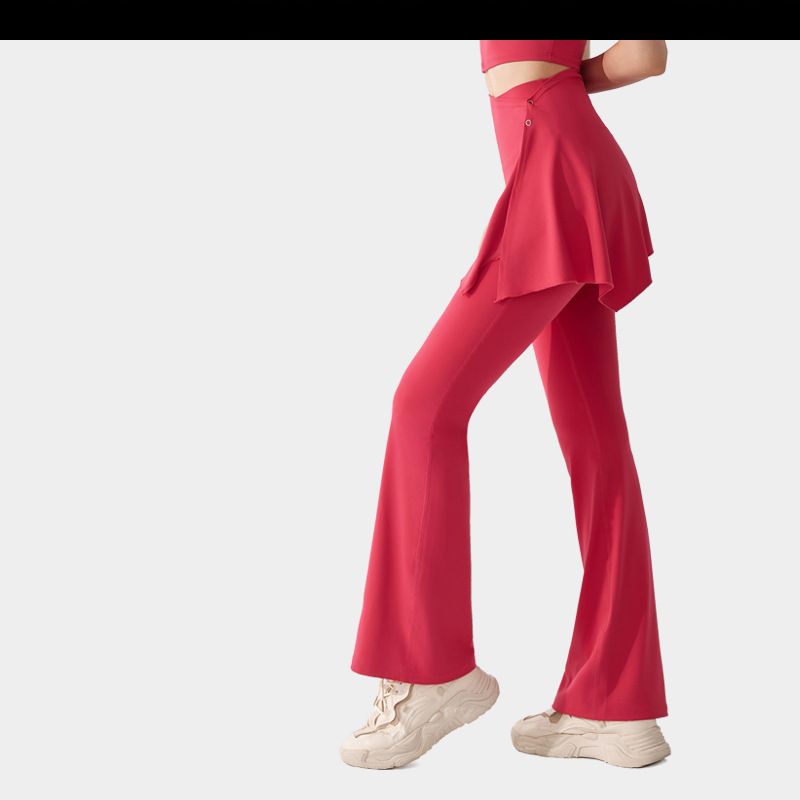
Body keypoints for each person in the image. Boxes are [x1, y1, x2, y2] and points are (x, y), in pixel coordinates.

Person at [341, 40, 671, 770]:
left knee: (423, 406)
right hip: (565, 155)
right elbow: (644, 56)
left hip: (551, 164)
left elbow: (646, 55)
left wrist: (555, 87)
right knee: (596, 442)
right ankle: (616, 707)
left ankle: (432, 673)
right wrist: (566, 81)